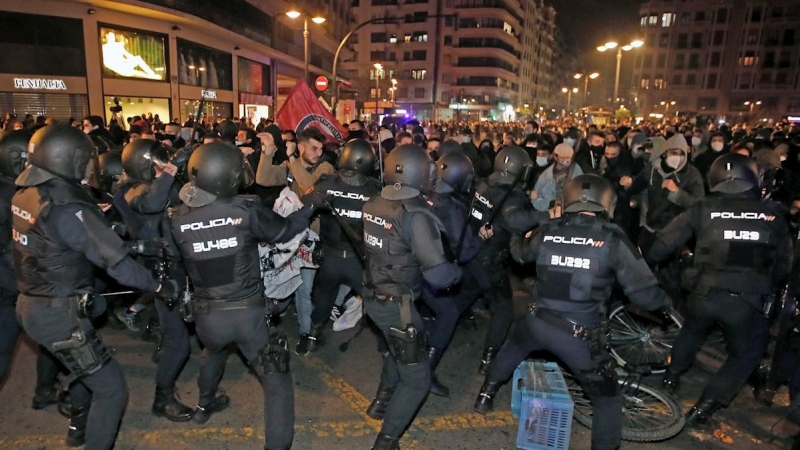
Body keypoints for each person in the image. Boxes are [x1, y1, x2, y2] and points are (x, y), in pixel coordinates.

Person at [474, 174, 670, 450]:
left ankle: (485, 395)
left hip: (536, 321)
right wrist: (665, 305)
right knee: (607, 399)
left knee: (512, 349)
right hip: (578, 337)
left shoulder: (549, 228)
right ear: (607, 203)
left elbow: (519, 255)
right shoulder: (613, 238)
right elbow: (644, 294)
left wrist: (520, 232)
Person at [12, 125, 177, 449]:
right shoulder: (68, 206)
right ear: (72, 160)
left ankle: (78, 426)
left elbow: (60, 241)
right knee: (111, 389)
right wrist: (157, 287)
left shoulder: (28, 193)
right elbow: (116, 265)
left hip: (33, 304)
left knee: (81, 368)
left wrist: (107, 228)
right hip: (58, 314)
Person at [169, 142, 313, 449]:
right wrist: (311, 206)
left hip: (207, 316)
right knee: (277, 381)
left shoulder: (177, 218)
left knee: (212, 353)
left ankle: (204, 406)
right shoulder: (245, 211)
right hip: (247, 315)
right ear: (229, 176)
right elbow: (287, 230)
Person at [648, 154, 792, 427]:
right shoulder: (773, 213)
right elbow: (784, 265)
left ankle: (671, 377)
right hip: (746, 303)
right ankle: (705, 407)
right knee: (746, 354)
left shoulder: (703, 208)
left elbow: (661, 245)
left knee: (691, 330)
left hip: (704, 293)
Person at [361, 144, 461, 450]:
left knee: (396, 350)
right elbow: (439, 275)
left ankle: (380, 402)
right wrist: (457, 272)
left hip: (373, 296)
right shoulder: (416, 215)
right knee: (418, 381)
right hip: (398, 307)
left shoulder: (374, 203)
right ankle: (386, 441)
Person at [113, 139, 194, 421]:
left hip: (173, 265)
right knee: (179, 342)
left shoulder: (142, 185)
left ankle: (160, 340)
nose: (163, 168)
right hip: (163, 271)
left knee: (177, 323)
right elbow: (153, 203)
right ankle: (163, 397)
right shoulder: (132, 191)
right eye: (158, 164)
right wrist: (172, 168)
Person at [462, 146, 550, 375]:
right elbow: (515, 221)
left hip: (471, 250)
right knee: (503, 309)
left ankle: (433, 344)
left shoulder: (484, 182)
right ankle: (489, 359)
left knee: (464, 296)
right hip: (490, 257)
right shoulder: (508, 192)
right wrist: (548, 215)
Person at [256, 127, 335, 352]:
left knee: (304, 287)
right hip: (288, 238)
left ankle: (305, 333)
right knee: (280, 279)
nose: (318, 152)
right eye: (313, 148)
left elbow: (308, 187)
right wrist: (268, 152)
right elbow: (263, 178)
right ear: (301, 146)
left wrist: (291, 157)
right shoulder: (292, 166)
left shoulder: (325, 168)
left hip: (311, 239)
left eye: (320, 148)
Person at [299, 139, 381, 354]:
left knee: (324, 300)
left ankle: (312, 337)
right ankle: (386, 348)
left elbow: (304, 202)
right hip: (359, 262)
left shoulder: (327, 183)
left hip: (330, 260)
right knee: (378, 305)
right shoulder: (376, 189)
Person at [425, 151, 483, 397]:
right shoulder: (451, 207)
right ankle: (425, 372)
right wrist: (481, 237)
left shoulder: (425, 192)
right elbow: (467, 250)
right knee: (448, 313)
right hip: (431, 270)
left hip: (407, 265)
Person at [531, 143, 583, 212]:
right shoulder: (546, 175)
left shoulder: (576, 170)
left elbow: (582, 192)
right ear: (555, 157)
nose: (565, 160)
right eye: (562, 157)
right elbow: (536, 198)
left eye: (568, 157)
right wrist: (550, 205)